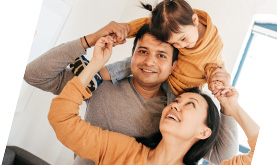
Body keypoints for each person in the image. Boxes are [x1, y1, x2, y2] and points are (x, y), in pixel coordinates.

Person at [24, 23, 237, 165]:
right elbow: (35, 75)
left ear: (174, 66)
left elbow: (222, 155)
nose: (150, 62)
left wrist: (226, 103)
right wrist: (89, 40)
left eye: (161, 55)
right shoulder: (100, 82)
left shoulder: (174, 109)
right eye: (143, 52)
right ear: (132, 55)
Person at [101, 0, 225, 97]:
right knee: (138, 59)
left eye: (183, 39)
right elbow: (145, 23)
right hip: (164, 68)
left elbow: (213, 68)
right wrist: (126, 30)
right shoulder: (173, 26)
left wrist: (215, 82)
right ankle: (102, 74)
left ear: (195, 20)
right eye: (173, 43)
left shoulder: (213, 43)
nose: (180, 46)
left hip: (180, 88)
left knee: (179, 107)